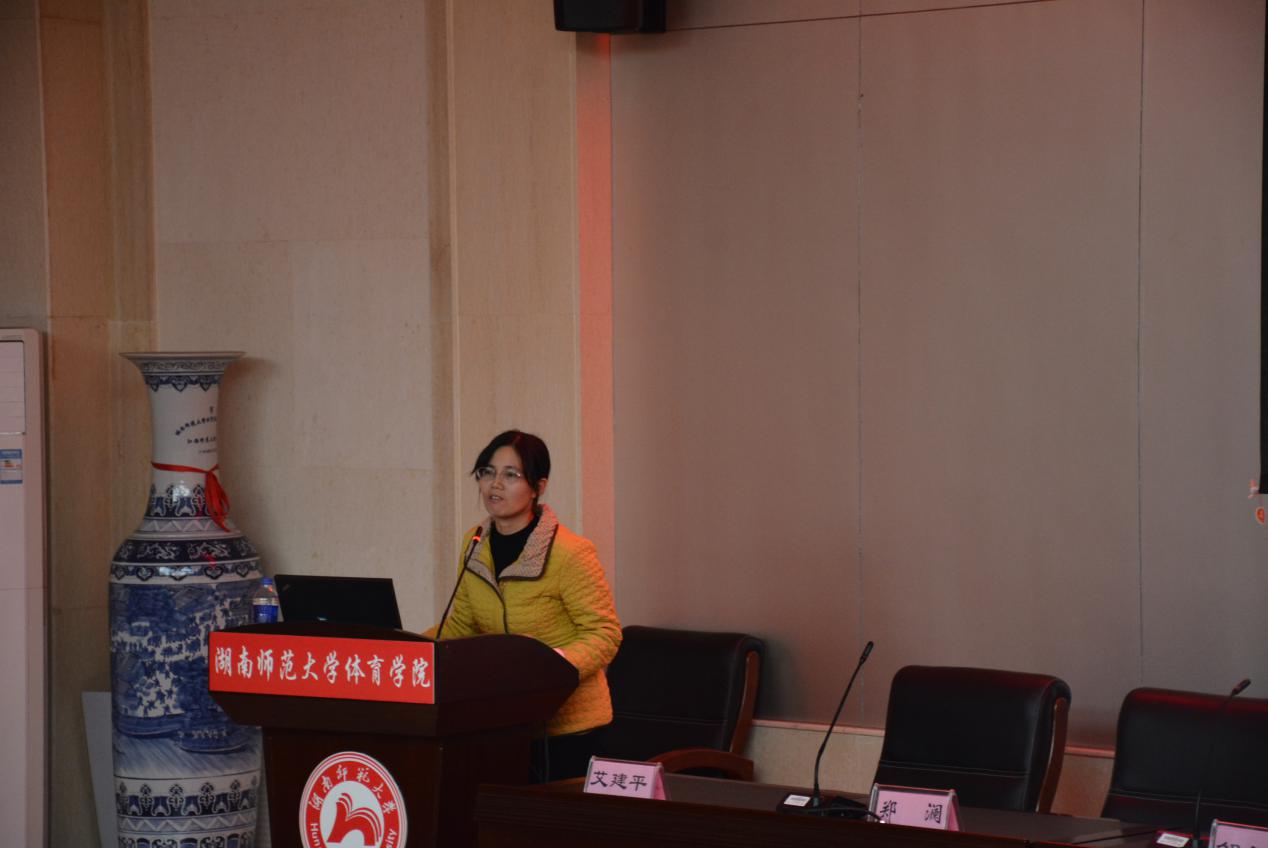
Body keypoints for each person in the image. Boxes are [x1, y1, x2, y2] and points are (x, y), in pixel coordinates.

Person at [429, 429, 621, 780]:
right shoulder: (475, 545)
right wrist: (407, 649)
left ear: (538, 487)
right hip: (503, 725)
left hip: (570, 732)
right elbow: (462, 626)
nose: (495, 484)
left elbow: (605, 633)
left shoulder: (570, 553)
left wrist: (550, 667)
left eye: (511, 475)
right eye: (487, 472)